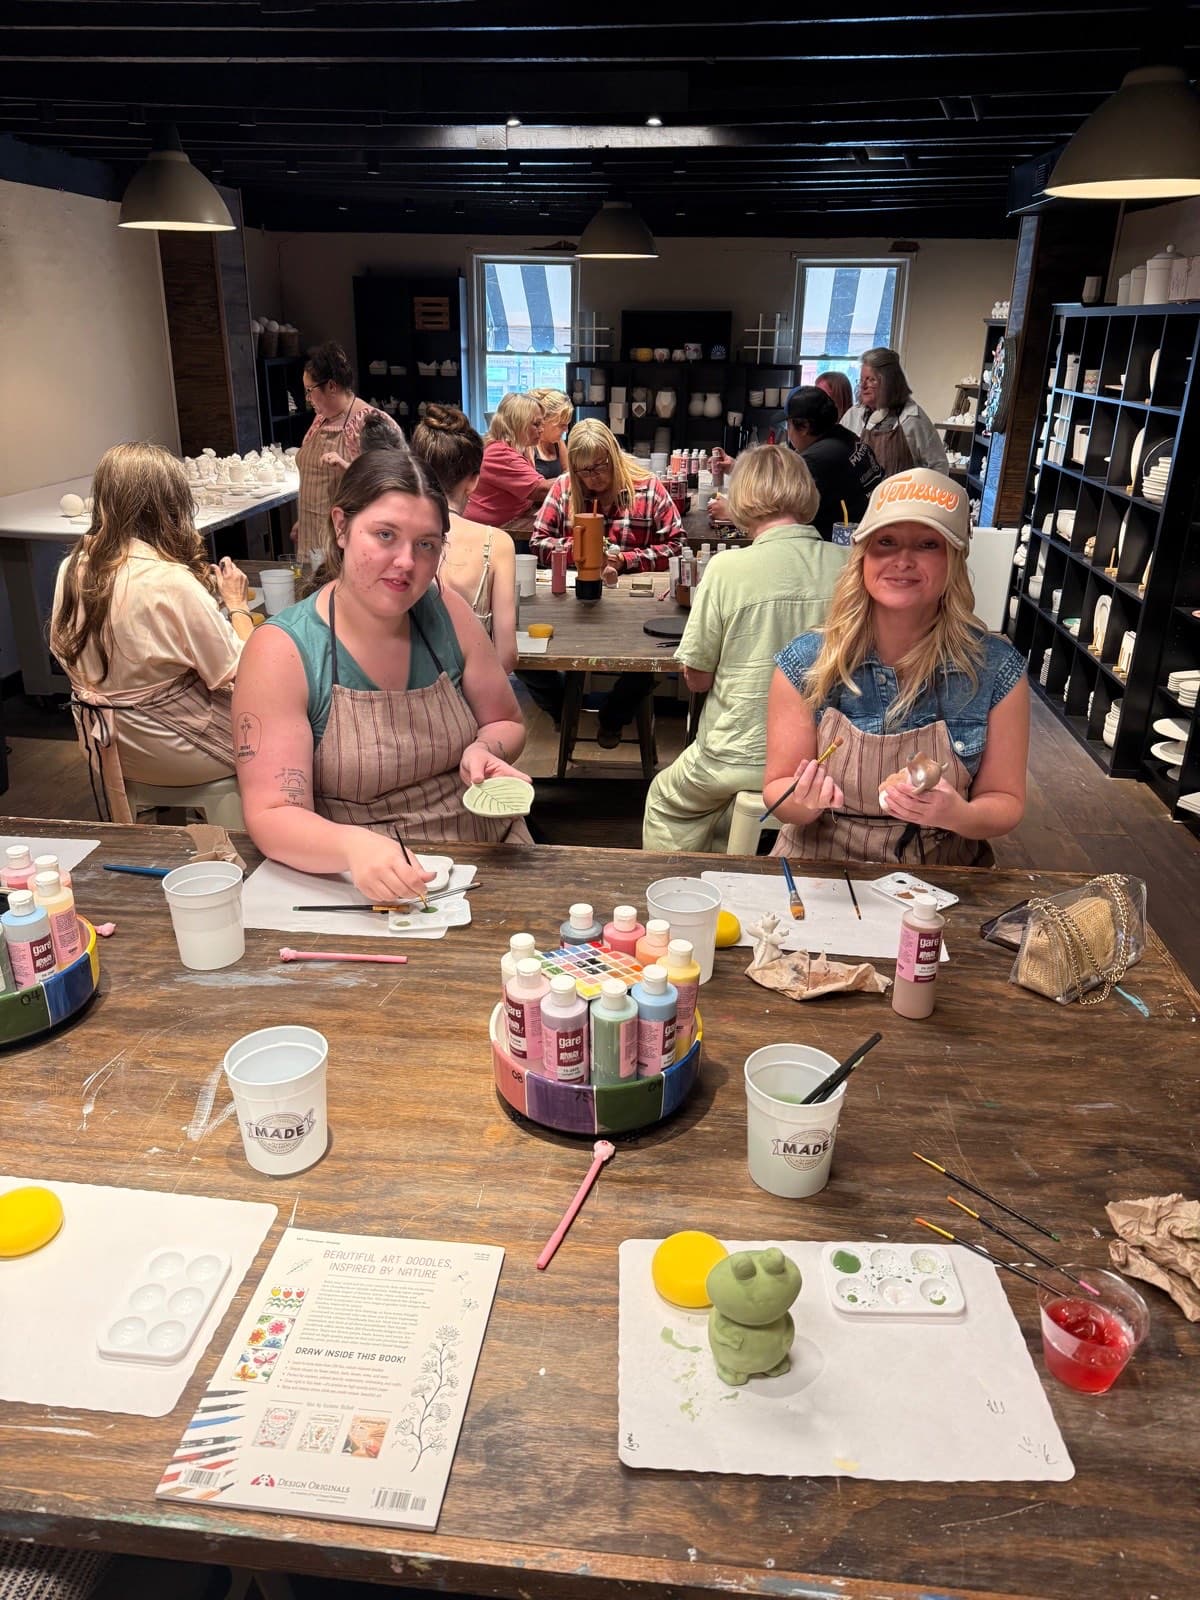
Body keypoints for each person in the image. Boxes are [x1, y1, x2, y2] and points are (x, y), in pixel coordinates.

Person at [233, 450, 532, 903]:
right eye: (385, 535)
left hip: (485, 853)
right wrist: (352, 847)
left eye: (426, 544)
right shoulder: (283, 652)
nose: (406, 562)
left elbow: (506, 722)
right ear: (341, 527)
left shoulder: (447, 612)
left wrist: (484, 749)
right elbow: (273, 813)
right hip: (365, 882)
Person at [762, 468, 1028, 867]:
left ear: (954, 560)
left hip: (941, 869)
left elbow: (1004, 800)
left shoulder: (995, 669)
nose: (903, 560)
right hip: (821, 862)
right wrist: (804, 801)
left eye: (927, 544)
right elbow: (777, 790)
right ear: (863, 556)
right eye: (886, 542)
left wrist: (957, 814)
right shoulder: (807, 663)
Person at [642, 446, 847, 853]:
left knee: (665, 801)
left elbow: (698, 680)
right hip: (826, 760)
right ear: (807, 493)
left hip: (737, 757)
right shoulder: (849, 564)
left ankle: (681, 885)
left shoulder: (726, 569)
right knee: (731, 816)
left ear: (741, 499)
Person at [51, 442, 253, 823]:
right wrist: (237, 604)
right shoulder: (170, 581)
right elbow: (240, 669)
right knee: (288, 718)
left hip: (109, 746)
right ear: (169, 507)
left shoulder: (72, 570)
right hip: (180, 751)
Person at [528, 419, 684, 748]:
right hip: (574, 606)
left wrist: (627, 560)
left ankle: (613, 715)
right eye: (584, 471)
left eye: (600, 467)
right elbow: (538, 541)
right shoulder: (566, 488)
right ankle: (564, 710)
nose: (593, 478)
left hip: (635, 610)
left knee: (658, 655)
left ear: (613, 456)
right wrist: (579, 551)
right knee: (523, 658)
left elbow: (677, 546)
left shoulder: (647, 487)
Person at [411, 403, 518, 674]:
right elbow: (506, 656)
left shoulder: (388, 538)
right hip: (470, 696)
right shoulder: (496, 543)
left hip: (397, 694)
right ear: (473, 482)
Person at [293, 341, 399, 561]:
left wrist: (347, 468)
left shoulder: (368, 422)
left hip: (346, 542)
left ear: (331, 386)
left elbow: (393, 482)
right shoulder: (320, 419)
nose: (307, 398)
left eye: (310, 391)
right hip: (312, 537)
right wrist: (303, 520)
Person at [784, 386, 883, 538]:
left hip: (840, 543)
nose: (788, 432)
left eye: (788, 425)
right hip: (870, 530)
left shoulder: (814, 461)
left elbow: (790, 514)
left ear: (804, 427)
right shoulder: (846, 436)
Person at [841, 347, 949, 477]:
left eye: (871, 380)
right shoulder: (853, 415)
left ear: (889, 383)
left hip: (901, 490)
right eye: (862, 379)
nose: (863, 386)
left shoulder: (912, 418)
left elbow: (939, 466)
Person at [463, 392, 549, 537]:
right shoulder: (500, 453)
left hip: (500, 529)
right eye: (536, 424)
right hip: (483, 535)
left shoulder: (518, 449)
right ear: (518, 424)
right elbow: (541, 490)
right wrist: (577, 478)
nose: (541, 430)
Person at [527, 387, 573, 479]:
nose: (566, 430)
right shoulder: (528, 445)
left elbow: (568, 471)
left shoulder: (558, 441)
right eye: (561, 425)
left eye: (567, 424)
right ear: (544, 420)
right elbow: (534, 484)